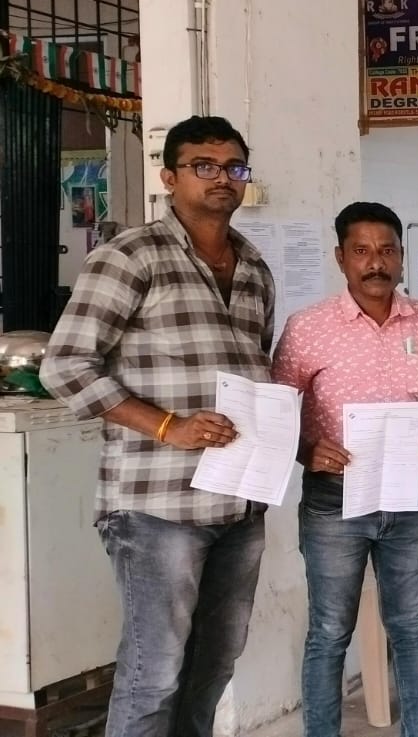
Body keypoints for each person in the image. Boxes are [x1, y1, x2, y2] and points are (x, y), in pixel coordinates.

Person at [41, 115, 273, 737]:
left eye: (234, 167)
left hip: (238, 502)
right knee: (155, 673)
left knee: (214, 664)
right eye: (204, 166)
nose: (222, 179)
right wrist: (169, 426)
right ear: (169, 177)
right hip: (157, 506)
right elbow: (64, 366)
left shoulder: (254, 266)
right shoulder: (130, 256)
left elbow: (256, 367)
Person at [271, 202, 418, 737]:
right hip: (334, 502)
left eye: (387, 250)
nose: (376, 262)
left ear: (401, 256)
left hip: (408, 498)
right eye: (361, 251)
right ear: (341, 258)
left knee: (410, 627)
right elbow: (276, 410)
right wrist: (307, 450)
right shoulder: (308, 328)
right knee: (330, 631)